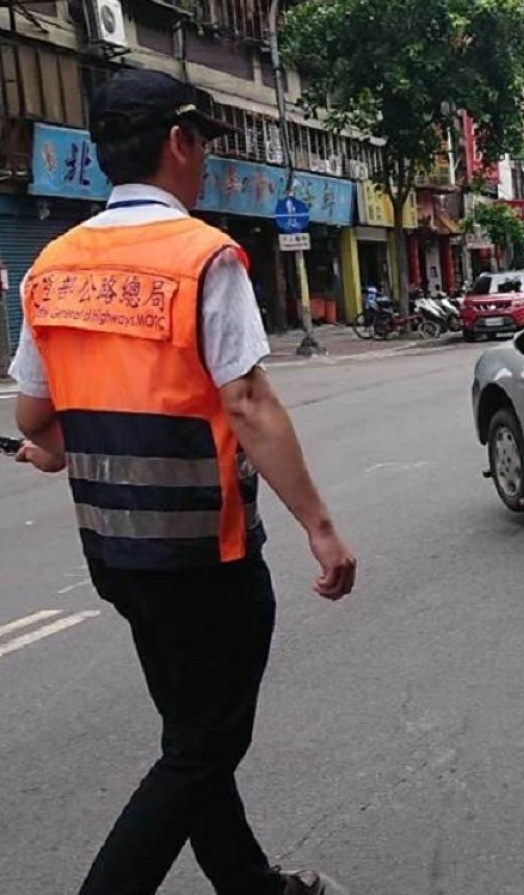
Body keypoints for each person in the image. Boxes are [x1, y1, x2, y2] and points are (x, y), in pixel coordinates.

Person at [7, 69, 356, 895]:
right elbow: (248, 402)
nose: (201, 162)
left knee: (189, 733)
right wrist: (319, 524)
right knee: (202, 747)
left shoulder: (52, 265)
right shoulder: (202, 256)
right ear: (178, 143)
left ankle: (248, 881)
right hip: (209, 555)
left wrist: (56, 447)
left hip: (117, 557)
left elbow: (33, 418)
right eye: (201, 143)